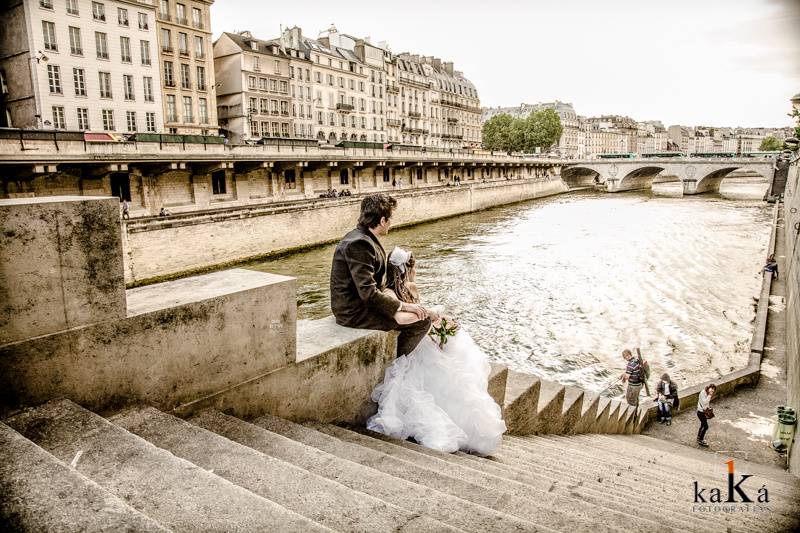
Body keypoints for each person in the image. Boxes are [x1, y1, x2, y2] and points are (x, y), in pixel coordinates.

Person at [367, 246, 507, 456]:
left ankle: (469, 427)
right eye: (413, 268)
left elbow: (426, 317)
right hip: (411, 348)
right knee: (440, 375)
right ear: (406, 269)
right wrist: (426, 314)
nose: (415, 273)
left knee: (457, 360)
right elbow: (400, 319)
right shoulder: (388, 293)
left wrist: (441, 324)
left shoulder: (411, 289)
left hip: (424, 339)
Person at [330, 194, 431, 358]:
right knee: (422, 321)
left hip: (356, 303)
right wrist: (403, 306)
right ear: (383, 221)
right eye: (390, 218)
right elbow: (368, 293)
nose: (391, 222)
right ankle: (396, 363)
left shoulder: (362, 238)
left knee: (414, 314)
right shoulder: (360, 244)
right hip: (353, 312)